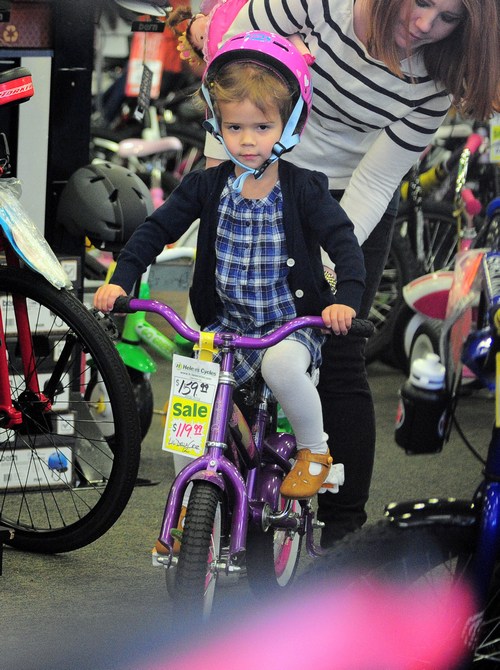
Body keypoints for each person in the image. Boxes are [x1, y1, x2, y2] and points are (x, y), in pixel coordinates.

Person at [204, 0, 500, 547]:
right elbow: (230, 73)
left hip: (351, 195)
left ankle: (345, 536)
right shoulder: (323, 3)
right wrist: (219, 183)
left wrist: (319, 271)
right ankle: (223, 503)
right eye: (422, 2)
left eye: (449, 18)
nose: (425, 25)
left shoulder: (437, 76)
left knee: (338, 352)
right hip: (257, 168)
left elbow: (373, 184)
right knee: (232, 339)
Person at [94, 30, 366, 499]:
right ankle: (187, 500)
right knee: (190, 401)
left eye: (262, 128)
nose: (246, 141)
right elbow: (155, 231)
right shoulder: (206, 184)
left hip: (289, 328)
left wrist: (346, 302)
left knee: (282, 369)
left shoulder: (304, 188)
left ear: (290, 124)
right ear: (218, 123)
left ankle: (315, 450)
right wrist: (121, 279)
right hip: (227, 328)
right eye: (235, 127)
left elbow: (344, 243)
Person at [166, 0, 314, 76]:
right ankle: (300, 54)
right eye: (201, 37)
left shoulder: (217, 11)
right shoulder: (218, 47)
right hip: (264, 38)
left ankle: (301, 52)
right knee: (286, 36)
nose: (205, 30)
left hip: (265, 18)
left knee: (287, 31)